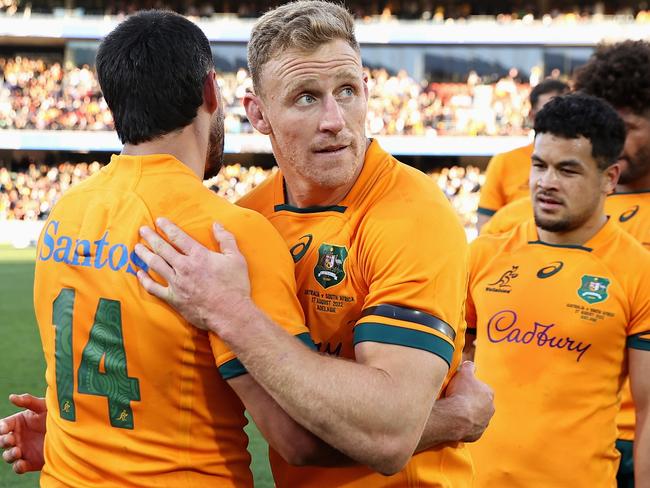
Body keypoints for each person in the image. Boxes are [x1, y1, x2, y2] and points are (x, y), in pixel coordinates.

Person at [0, 4, 494, 487]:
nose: (334, 120)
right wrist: (84, 429)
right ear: (252, 112)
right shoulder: (242, 223)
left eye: (347, 90)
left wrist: (227, 309)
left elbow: (387, 437)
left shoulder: (414, 215)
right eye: (305, 97)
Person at [466, 93, 650, 486]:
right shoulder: (484, 254)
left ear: (610, 178)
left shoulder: (638, 271)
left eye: (568, 170)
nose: (546, 183)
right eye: (539, 166)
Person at [476, 78, 569, 231]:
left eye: (564, 114)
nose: (557, 121)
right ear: (532, 116)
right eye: (548, 113)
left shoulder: (587, 163)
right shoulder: (504, 162)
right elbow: (484, 228)